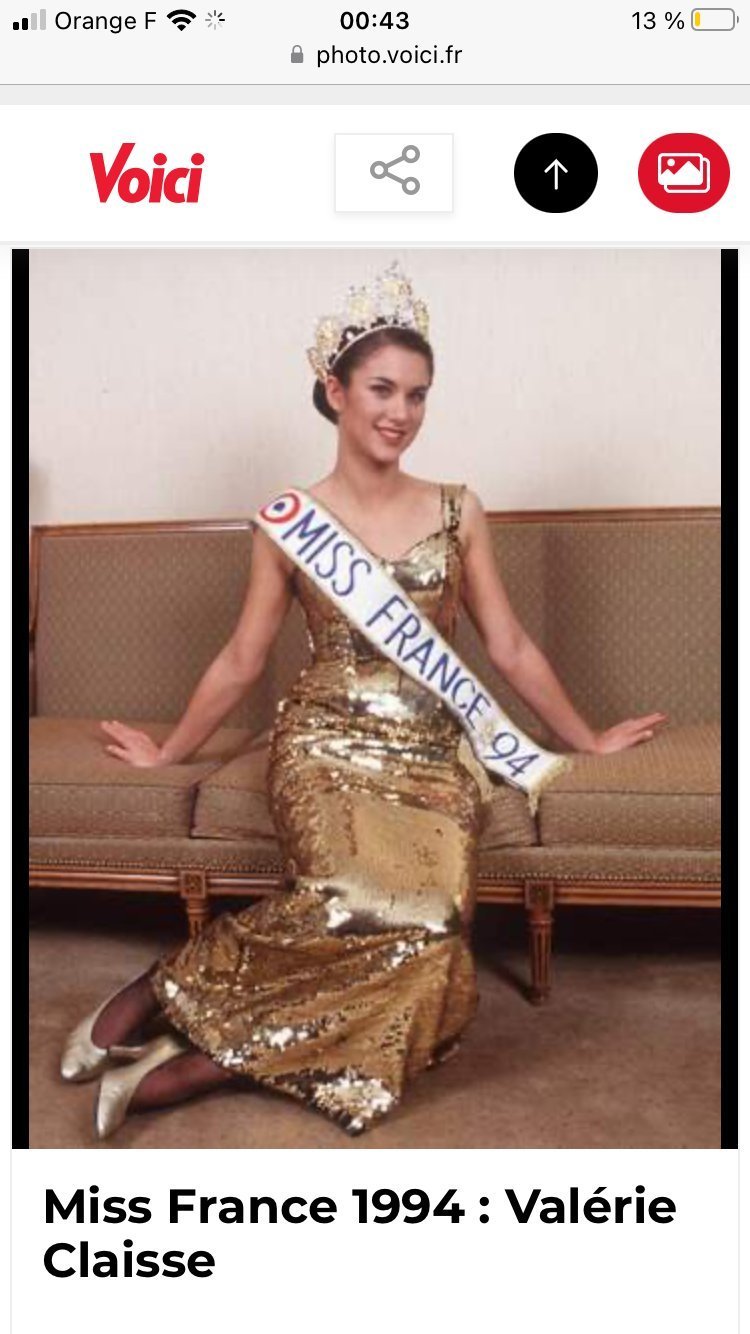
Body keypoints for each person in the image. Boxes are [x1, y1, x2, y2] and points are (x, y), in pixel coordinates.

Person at [60, 263, 666, 1139]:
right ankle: (152, 996)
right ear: (336, 390)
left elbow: (508, 645)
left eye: (418, 395)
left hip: (431, 752)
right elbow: (242, 657)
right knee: (348, 890)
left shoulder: (459, 510)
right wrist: (171, 752)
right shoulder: (289, 520)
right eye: (383, 389)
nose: (401, 412)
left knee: (433, 920)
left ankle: (196, 1056)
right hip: (324, 744)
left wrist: (586, 738)